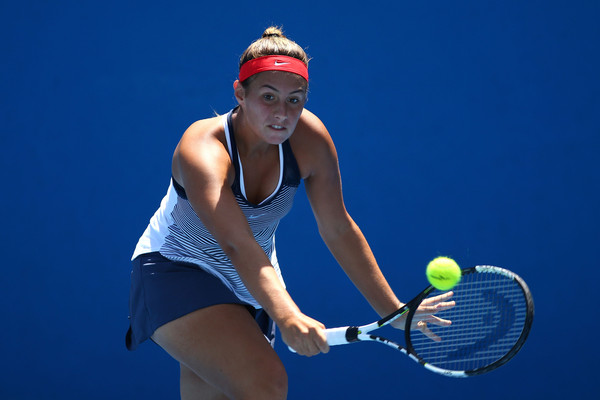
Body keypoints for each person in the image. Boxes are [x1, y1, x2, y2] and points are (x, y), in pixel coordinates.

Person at [126, 26, 453, 400]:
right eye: (268, 97)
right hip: (177, 268)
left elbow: (338, 229)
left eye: (295, 100)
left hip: (250, 281)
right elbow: (235, 242)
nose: (282, 113)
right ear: (239, 93)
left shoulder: (310, 140)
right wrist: (287, 314)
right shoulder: (202, 149)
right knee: (267, 382)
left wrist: (393, 310)